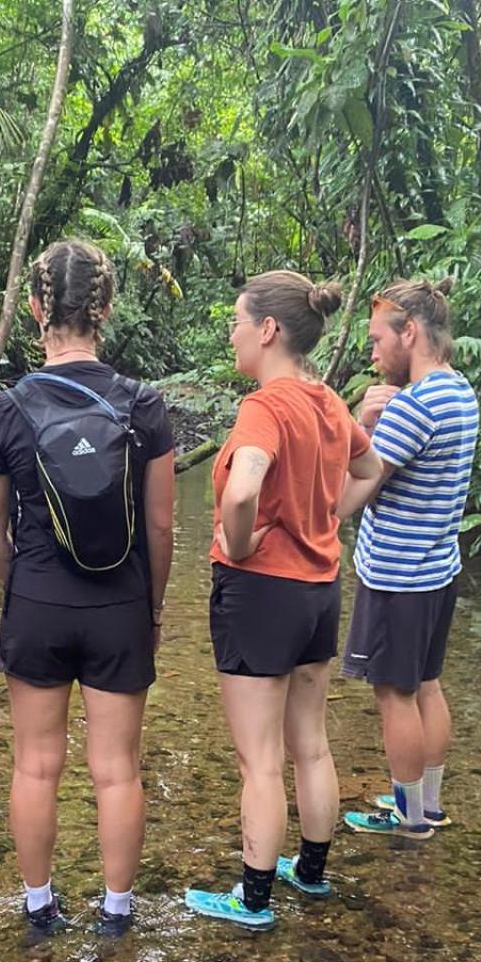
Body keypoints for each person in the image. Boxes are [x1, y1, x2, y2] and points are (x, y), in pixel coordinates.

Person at [0, 239, 175, 938]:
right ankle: (116, 914)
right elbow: (159, 528)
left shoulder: (7, 411)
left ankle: (39, 907)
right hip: (119, 604)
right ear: (106, 311)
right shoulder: (143, 406)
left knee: (35, 765)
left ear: (34, 309)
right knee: (117, 769)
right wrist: (149, 610)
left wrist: (19, 588)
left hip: (36, 604)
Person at [185, 271, 382, 928]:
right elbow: (369, 468)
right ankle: (313, 872)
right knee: (311, 743)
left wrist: (238, 545)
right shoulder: (326, 400)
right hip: (319, 591)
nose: (232, 334)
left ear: (268, 330)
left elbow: (242, 491)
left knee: (259, 761)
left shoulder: (264, 407)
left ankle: (253, 898)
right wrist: (325, 520)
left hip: (261, 590)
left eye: (237, 323)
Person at [338, 277, 479, 839]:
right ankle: (428, 803)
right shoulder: (459, 391)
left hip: (397, 574)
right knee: (426, 684)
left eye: (377, 341)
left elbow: (344, 501)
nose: (372, 355)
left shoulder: (410, 408)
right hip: (438, 567)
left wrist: (363, 424)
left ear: (410, 332)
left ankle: (409, 818)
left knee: (395, 695)